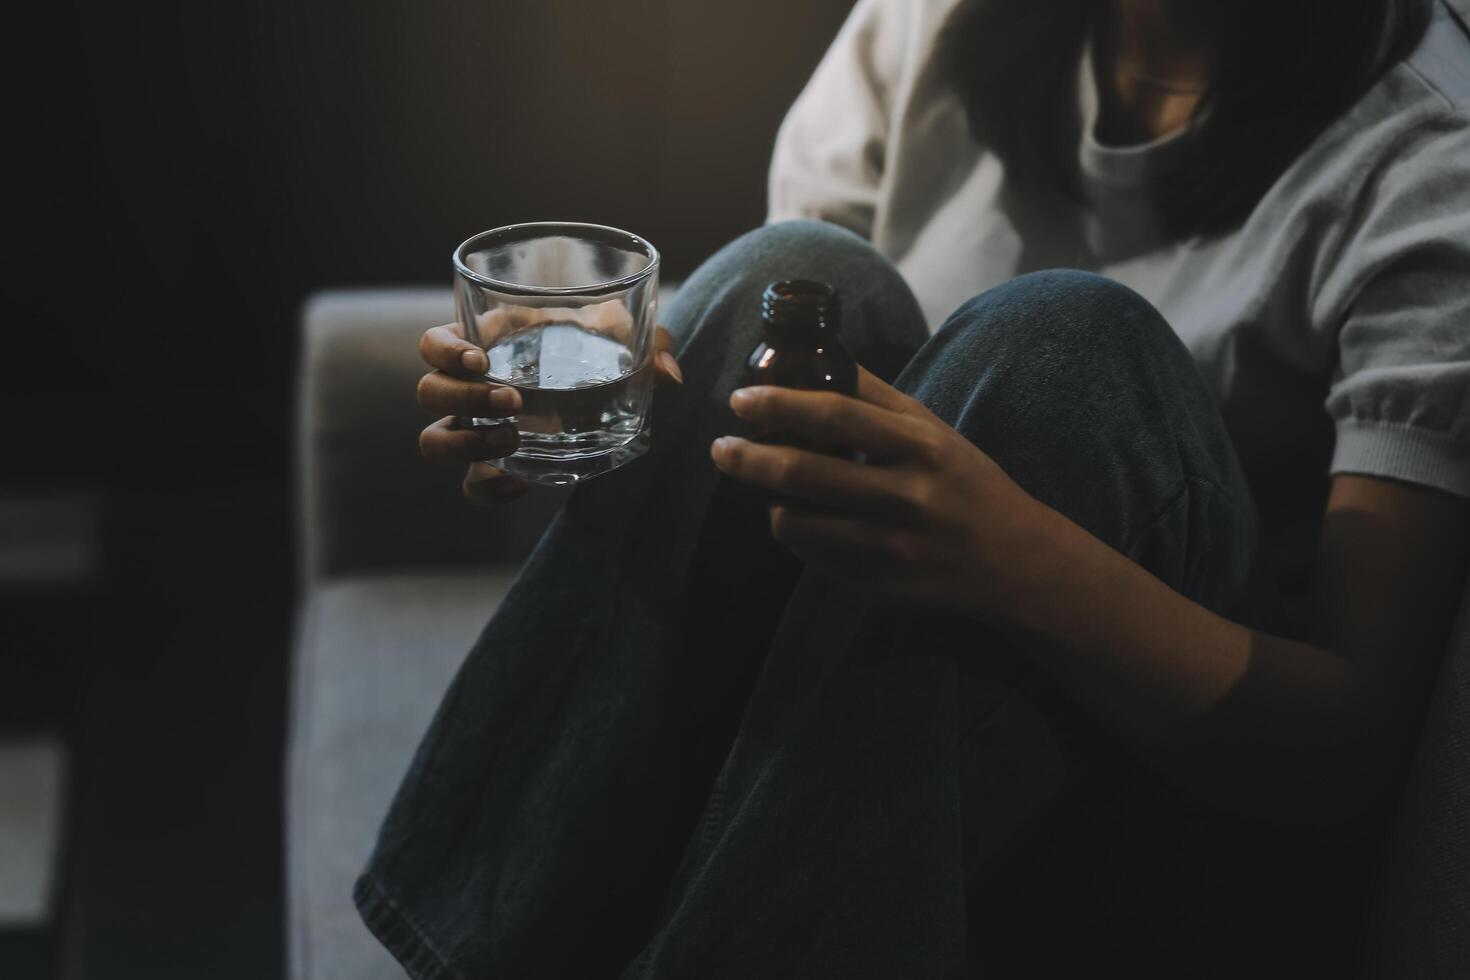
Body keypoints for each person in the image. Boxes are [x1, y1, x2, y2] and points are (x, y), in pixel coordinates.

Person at [368, 0, 1470, 976]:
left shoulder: (1427, 147)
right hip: (869, 786)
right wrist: (621, 398)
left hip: (1150, 826)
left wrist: (1013, 556)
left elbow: (1347, 755)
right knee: (788, 274)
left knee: (1067, 348)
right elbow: (788, 358)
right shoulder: (934, 19)